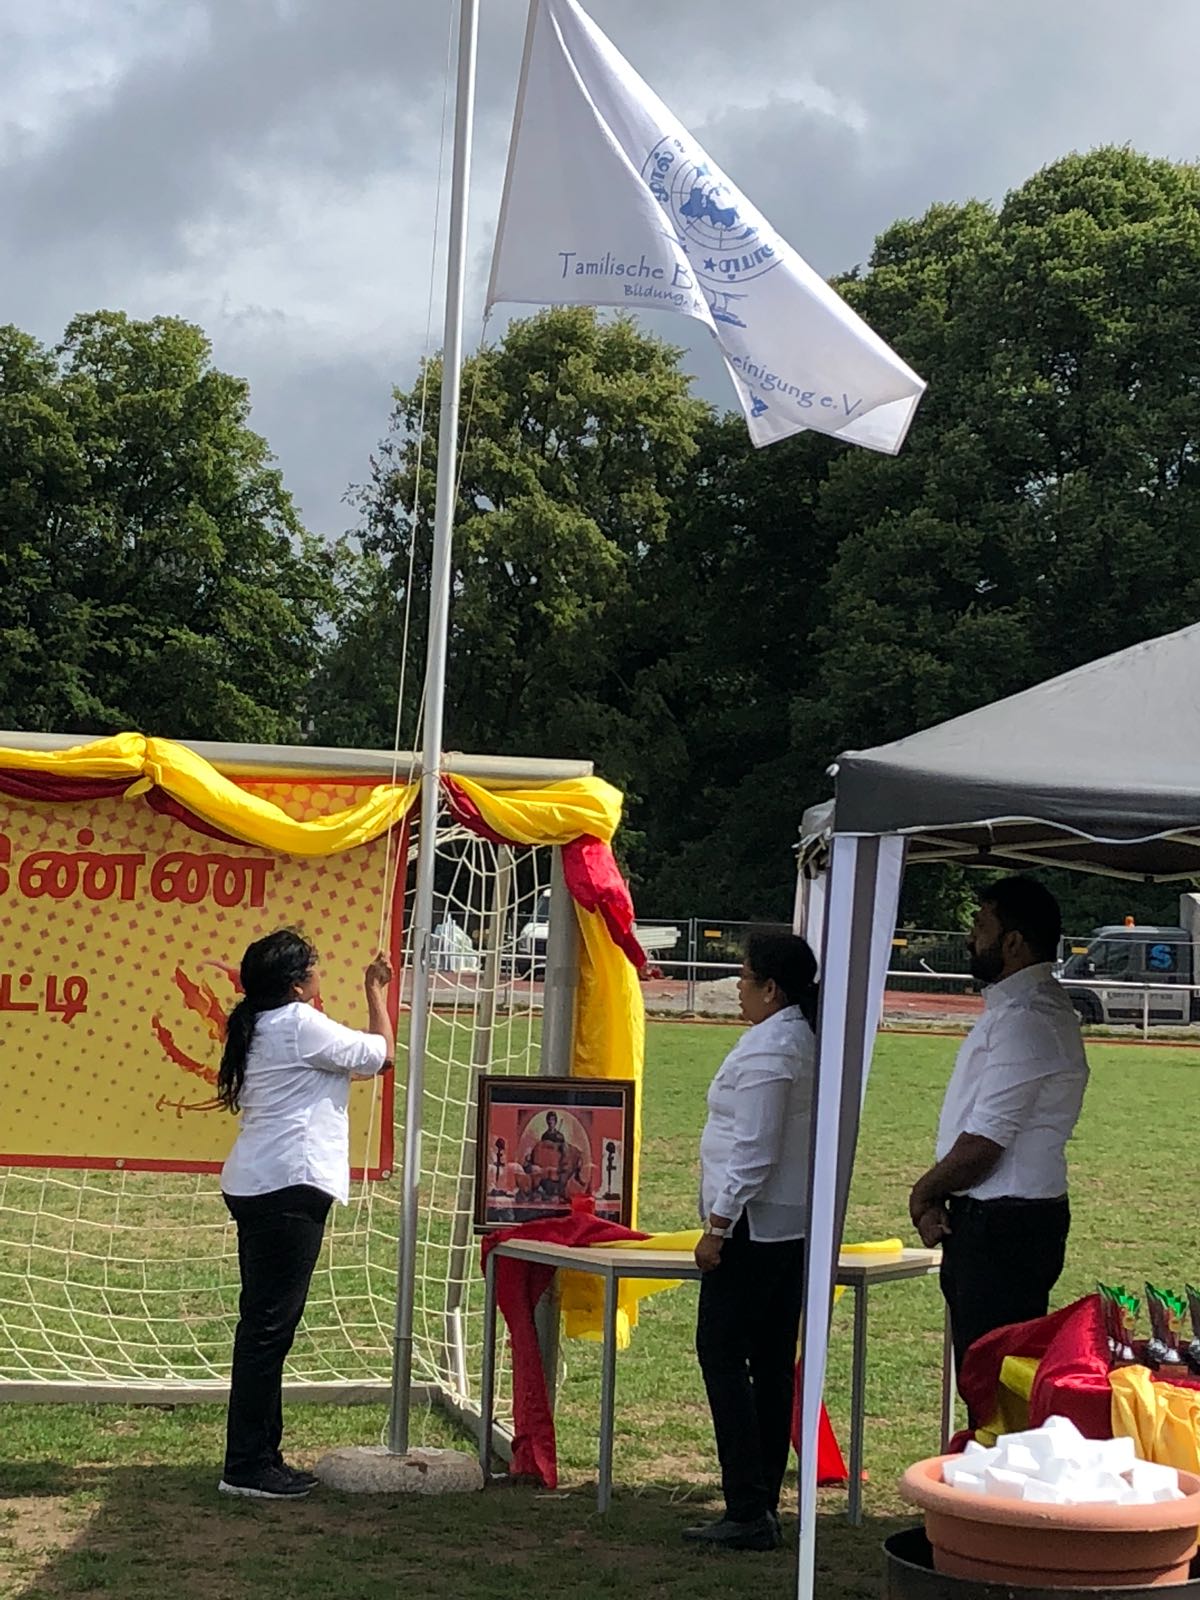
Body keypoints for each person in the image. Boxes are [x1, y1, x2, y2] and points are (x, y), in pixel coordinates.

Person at [216, 929, 394, 1500]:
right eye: (314, 967)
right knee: (268, 1332)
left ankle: (261, 1456)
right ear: (296, 984)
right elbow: (382, 1054)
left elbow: (356, 1067)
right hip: (287, 1186)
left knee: (263, 1328)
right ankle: (247, 1466)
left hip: (261, 1182)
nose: (320, 974)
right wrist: (375, 993)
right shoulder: (298, 1024)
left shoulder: (264, 1023)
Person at [909, 877, 1089, 1398]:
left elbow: (985, 1144)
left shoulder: (1029, 1018)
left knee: (992, 1390)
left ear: (1013, 942)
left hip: (1003, 1227)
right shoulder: (1023, 1010)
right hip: (1001, 1220)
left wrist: (923, 1192)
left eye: (980, 925)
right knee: (989, 1385)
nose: (970, 938)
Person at [684, 931, 818, 1553]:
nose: (737, 988)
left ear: (771, 988)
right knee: (769, 1361)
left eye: (744, 977)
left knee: (722, 1352)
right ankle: (760, 1499)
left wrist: (719, 1224)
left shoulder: (773, 1049)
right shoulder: (792, 1039)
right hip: (781, 1224)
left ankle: (747, 1500)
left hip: (753, 1227)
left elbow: (755, 1149)